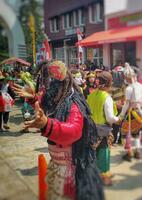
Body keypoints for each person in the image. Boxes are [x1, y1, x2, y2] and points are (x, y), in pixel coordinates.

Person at [12, 60, 104, 200]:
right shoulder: (60, 100)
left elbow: (74, 131)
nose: (45, 88)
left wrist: (47, 125)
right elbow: (47, 110)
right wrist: (33, 100)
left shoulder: (73, 103)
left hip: (72, 173)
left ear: (59, 84)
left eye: (49, 83)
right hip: (59, 168)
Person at [87, 71, 119, 186]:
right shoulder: (107, 98)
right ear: (109, 84)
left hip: (91, 130)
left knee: (93, 154)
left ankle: (93, 176)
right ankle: (103, 177)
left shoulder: (90, 96)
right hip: (103, 131)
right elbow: (110, 118)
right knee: (103, 154)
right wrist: (118, 118)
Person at [119, 64, 142, 162]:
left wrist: (121, 115)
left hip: (132, 113)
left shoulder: (129, 89)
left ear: (127, 78)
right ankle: (138, 151)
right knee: (136, 133)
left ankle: (129, 153)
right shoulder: (141, 86)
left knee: (124, 132)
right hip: (141, 112)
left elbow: (126, 104)